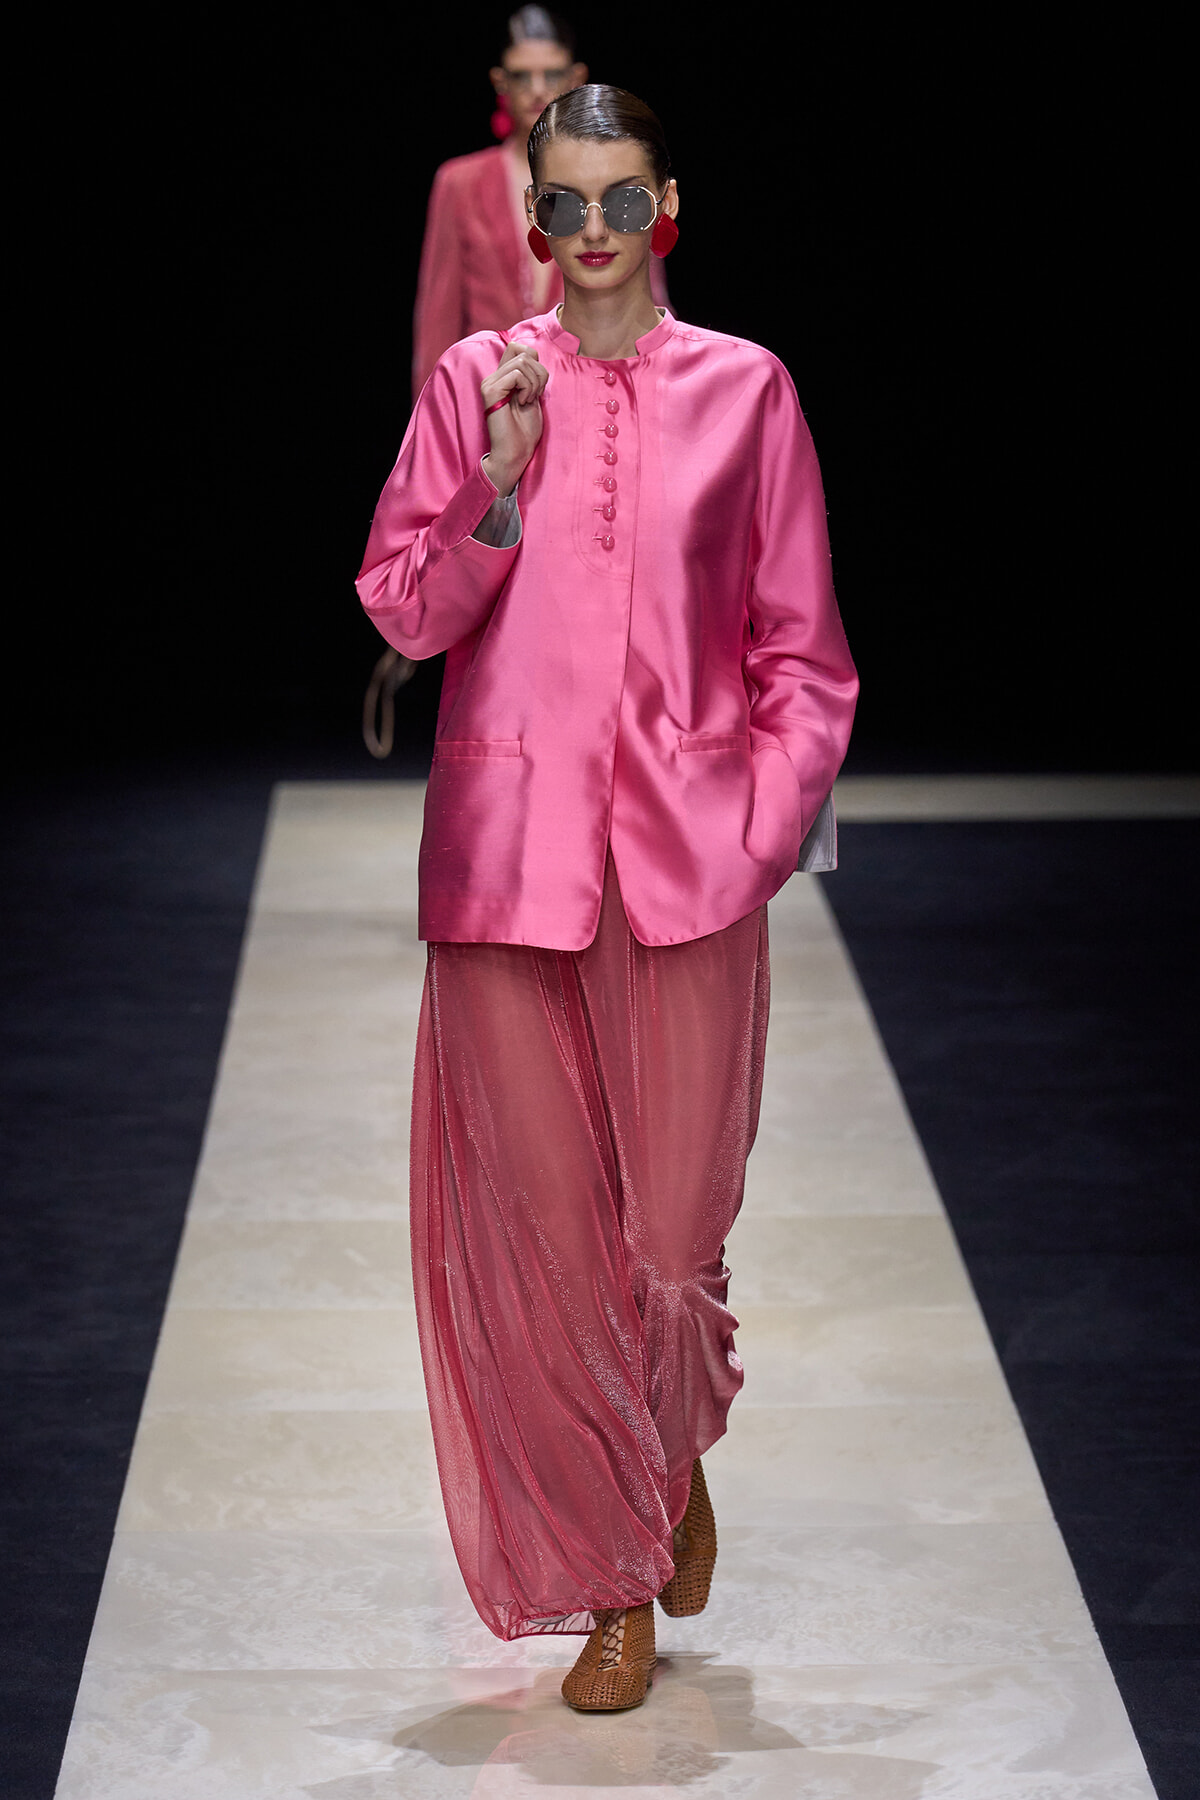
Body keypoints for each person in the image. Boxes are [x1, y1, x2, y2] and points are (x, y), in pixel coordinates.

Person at [357, 84, 858, 1712]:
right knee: (553, 1257)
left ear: (668, 208)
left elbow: (805, 653)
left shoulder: (747, 390)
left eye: (620, 200)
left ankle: (668, 1461)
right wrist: (497, 483)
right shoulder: (476, 385)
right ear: (533, 220)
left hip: (691, 870)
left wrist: (761, 824)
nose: (591, 233)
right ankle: (620, 1576)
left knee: (668, 1253)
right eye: (563, 204)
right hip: (508, 868)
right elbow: (408, 613)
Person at [411, 7, 669, 402]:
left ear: (576, 77)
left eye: (550, 74)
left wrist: (663, 395)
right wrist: (433, 412)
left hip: (592, 391)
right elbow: (438, 316)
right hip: (485, 394)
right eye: (521, 75)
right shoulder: (460, 182)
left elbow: (649, 296)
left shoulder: (613, 175)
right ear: (500, 81)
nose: (536, 88)